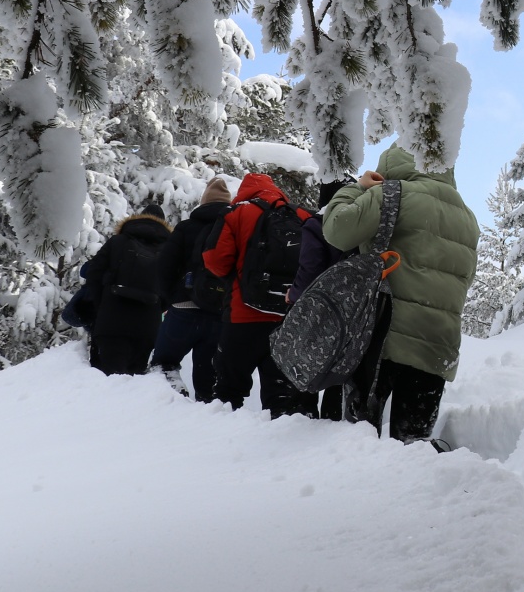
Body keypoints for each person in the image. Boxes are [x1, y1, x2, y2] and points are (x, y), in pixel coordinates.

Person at [322, 144, 478, 443]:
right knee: (413, 446)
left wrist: (357, 189)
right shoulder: (467, 216)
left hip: (384, 335)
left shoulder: (391, 193)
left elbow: (337, 231)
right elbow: (464, 278)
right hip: (439, 343)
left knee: (359, 439)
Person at [203, 172, 317, 417]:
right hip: (289, 317)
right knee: (283, 397)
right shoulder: (302, 215)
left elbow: (216, 262)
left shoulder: (236, 213)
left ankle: (221, 442)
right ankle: (279, 445)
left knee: (228, 393)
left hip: (242, 316)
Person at [150, 177, 231, 400]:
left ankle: (170, 404)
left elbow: (165, 265)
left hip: (184, 308)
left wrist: (171, 298)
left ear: (203, 202)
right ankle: (205, 415)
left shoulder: (187, 227)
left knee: (164, 364)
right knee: (209, 376)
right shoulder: (233, 230)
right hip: (219, 312)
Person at [79, 204, 173, 376]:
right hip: (147, 324)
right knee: (131, 385)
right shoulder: (169, 251)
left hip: (111, 320)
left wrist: (103, 303)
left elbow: (93, 273)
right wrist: (156, 305)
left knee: (106, 379)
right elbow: (172, 288)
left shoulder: (118, 242)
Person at [288, 179, 351, 419]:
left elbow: (310, 268)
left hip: (318, 311)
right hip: (351, 312)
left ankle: (304, 418)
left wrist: (293, 295)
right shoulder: (359, 225)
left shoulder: (317, 224)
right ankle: (333, 420)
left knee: (307, 366)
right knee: (340, 371)